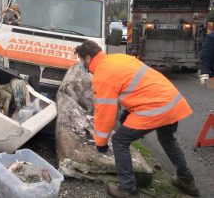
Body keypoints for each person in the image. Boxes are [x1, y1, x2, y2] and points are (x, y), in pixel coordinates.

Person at [74, 40, 198, 198]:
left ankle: (128, 190)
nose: (81, 65)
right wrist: (129, 110)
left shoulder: (102, 75)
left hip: (155, 107)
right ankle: (186, 180)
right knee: (168, 139)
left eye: (81, 60)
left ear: (88, 58)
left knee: (119, 141)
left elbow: (105, 114)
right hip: (172, 101)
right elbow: (136, 86)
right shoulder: (119, 58)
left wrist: (101, 143)